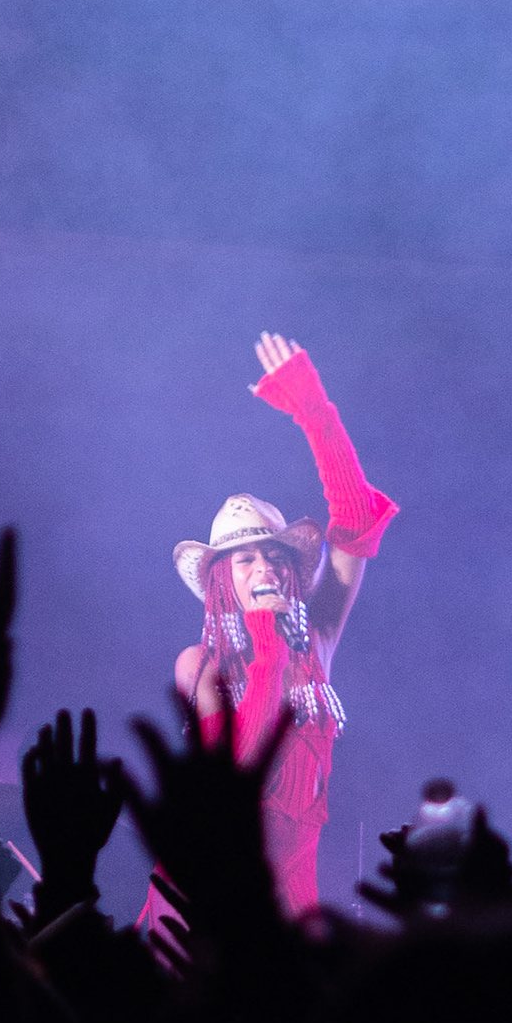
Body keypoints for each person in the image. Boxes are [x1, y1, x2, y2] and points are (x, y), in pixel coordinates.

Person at [139, 332, 397, 936]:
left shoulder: (319, 639)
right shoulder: (199, 664)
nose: (265, 568)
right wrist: (267, 637)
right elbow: (247, 750)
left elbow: (356, 524)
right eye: (245, 559)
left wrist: (313, 410)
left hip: (290, 892)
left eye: (273, 555)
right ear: (221, 579)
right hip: (205, 885)